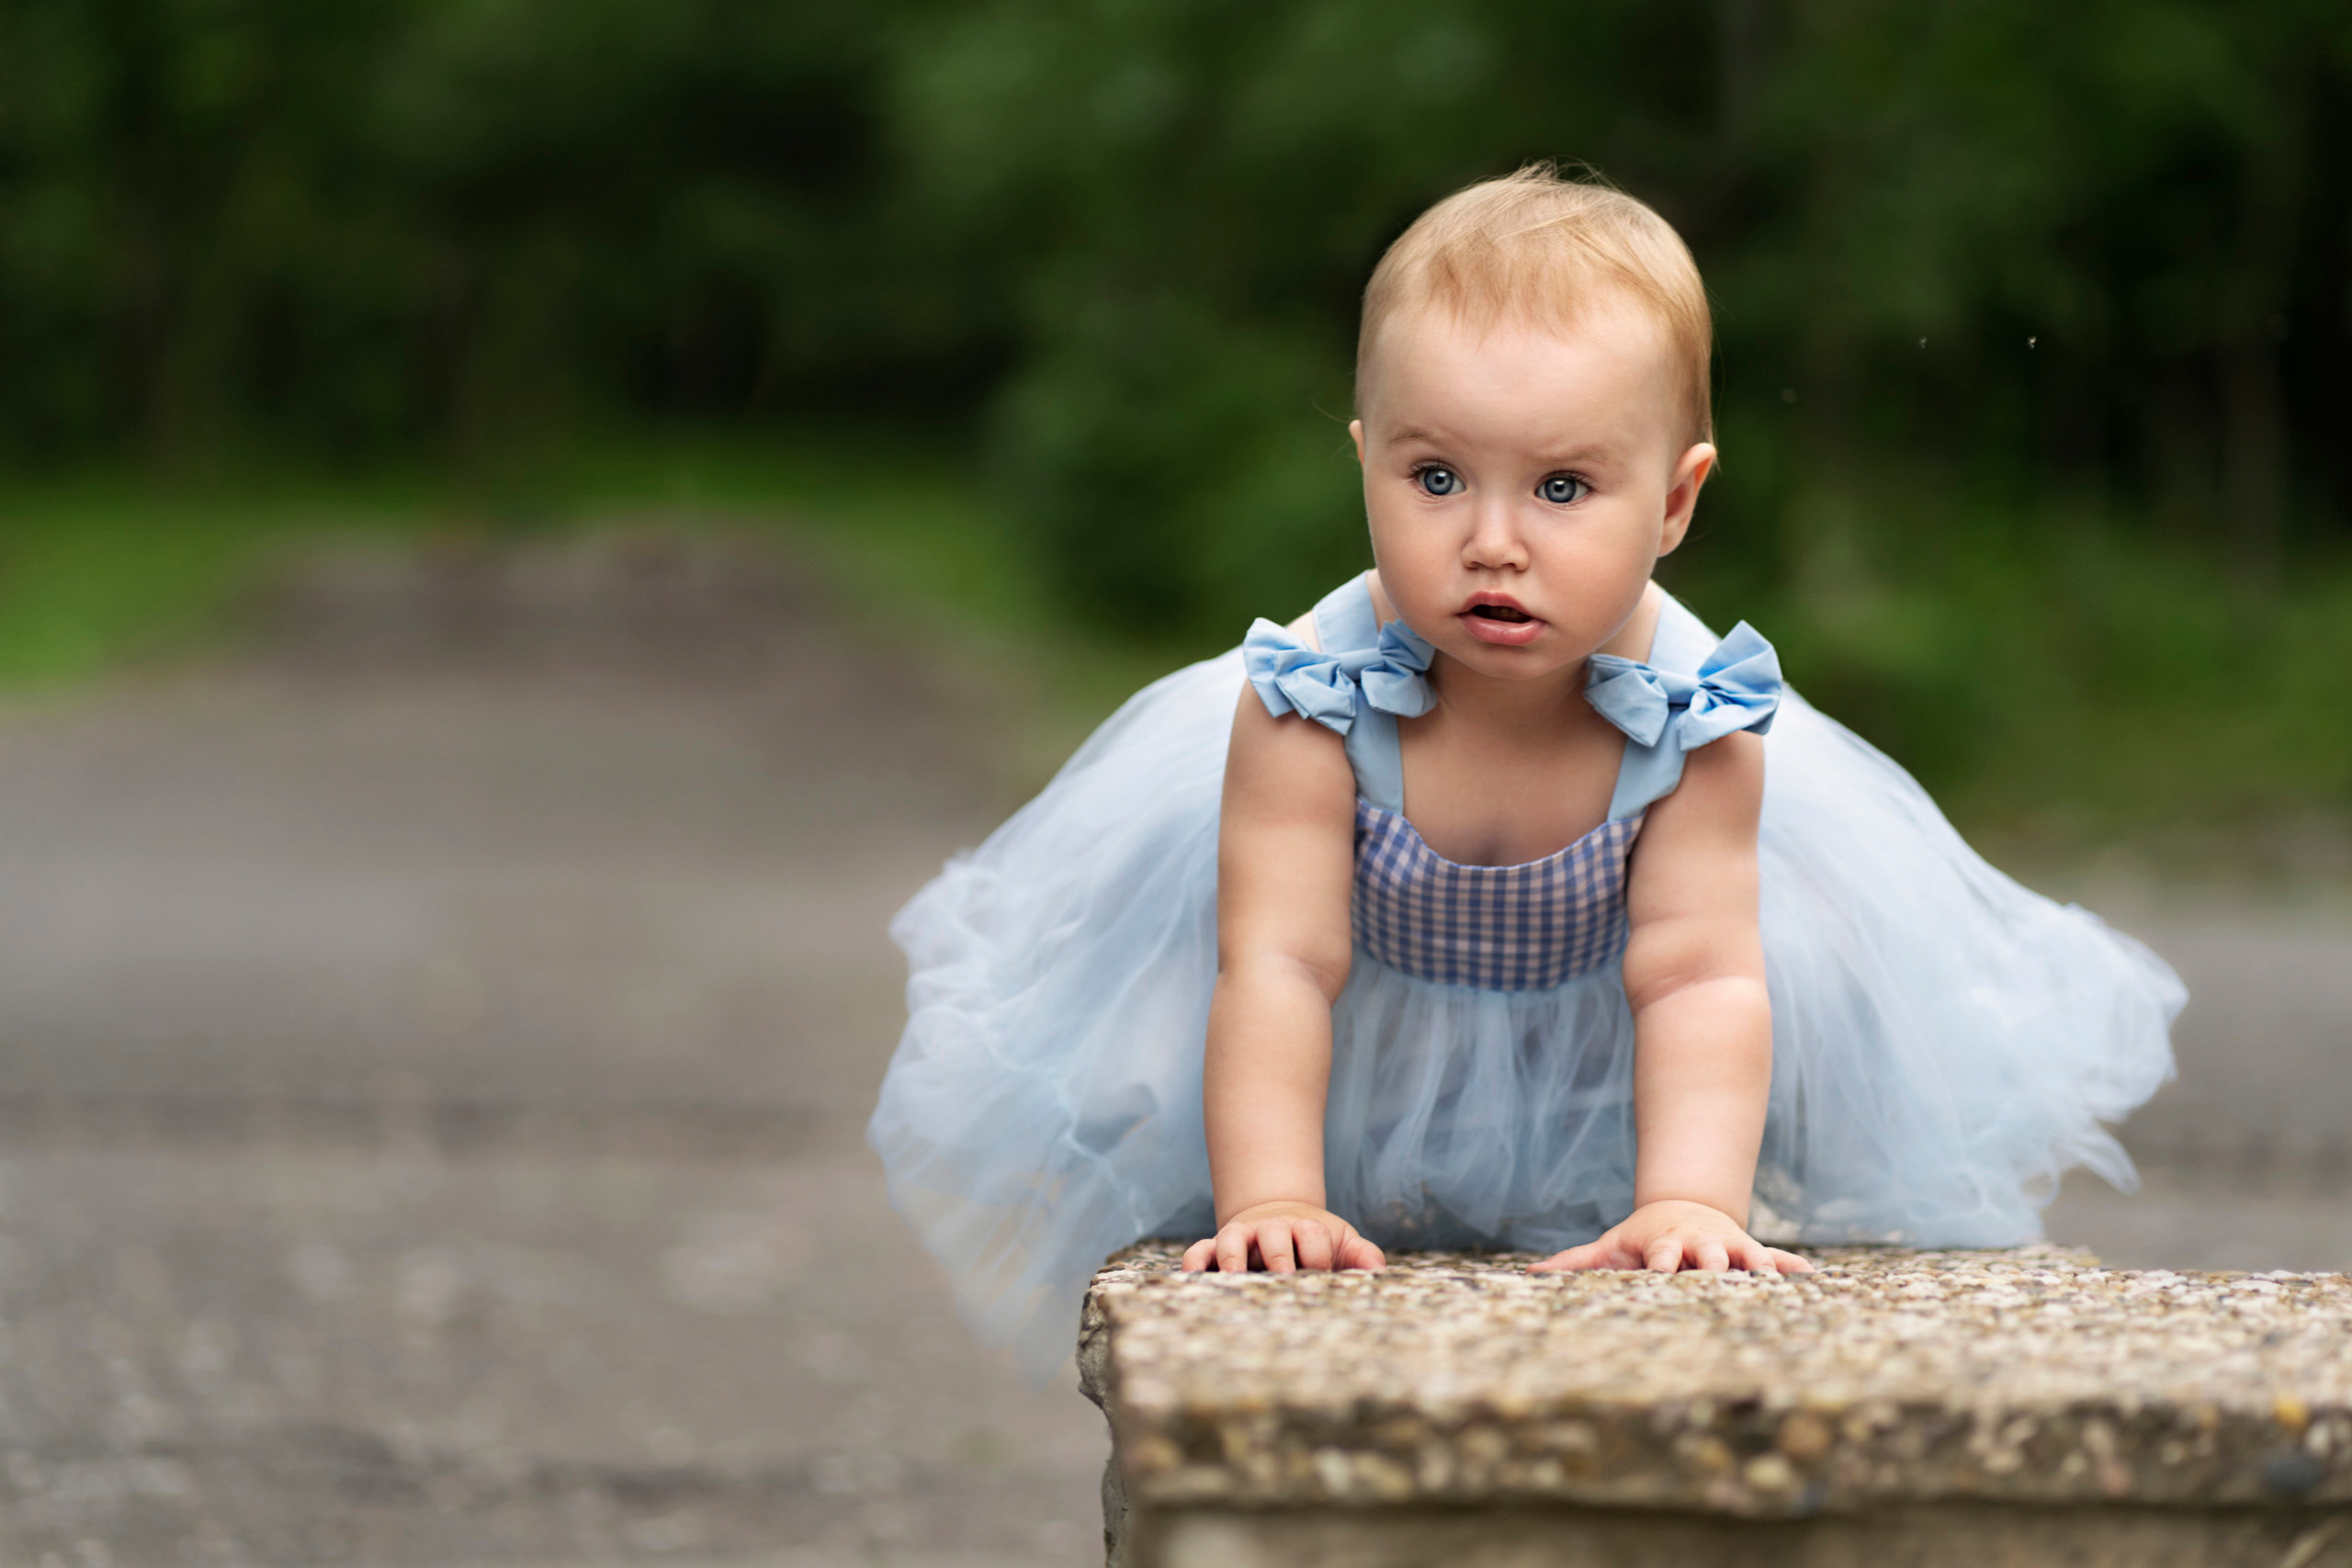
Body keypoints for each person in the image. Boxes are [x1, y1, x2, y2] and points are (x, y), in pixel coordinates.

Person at [870, 166, 2183, 1379]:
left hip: (1600, 1024)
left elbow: (1697, 975)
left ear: (1674, 503)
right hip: (1357, 1006)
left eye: (1563, 489)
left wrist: (1688, 1203)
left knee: (1746, 1004)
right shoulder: (1309, 705)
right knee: (1229, 1044)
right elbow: (1278, 963)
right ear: (1364, 458)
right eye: (1436, 477)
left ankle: (1684, 1189)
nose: (1492, 542)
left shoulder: (1694, 720)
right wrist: (1271, 1196)